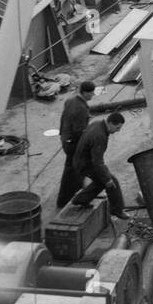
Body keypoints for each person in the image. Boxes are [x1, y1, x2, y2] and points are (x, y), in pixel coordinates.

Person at [70, 111, 127, 220]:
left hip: (80, 160)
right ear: (110, 123)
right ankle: (117, 210)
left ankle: (81, 199)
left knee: (101, 182)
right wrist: (107, 179)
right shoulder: (100, 135)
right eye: (117, 128)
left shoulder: (97, 123)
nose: (118, 131)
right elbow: (97, 162)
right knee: (111, 182)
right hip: (85, 164)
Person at [56, 80, 97, 208]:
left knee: (75, 169)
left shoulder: (70, 100)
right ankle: (66, 200)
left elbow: (63, 120)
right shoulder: (81, 109)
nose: (92, 95)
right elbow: (79, 131)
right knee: (74, 171)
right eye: (91, 93)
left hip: (65, 138)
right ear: (84, 92)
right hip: (74, 143)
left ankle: (76, 194)